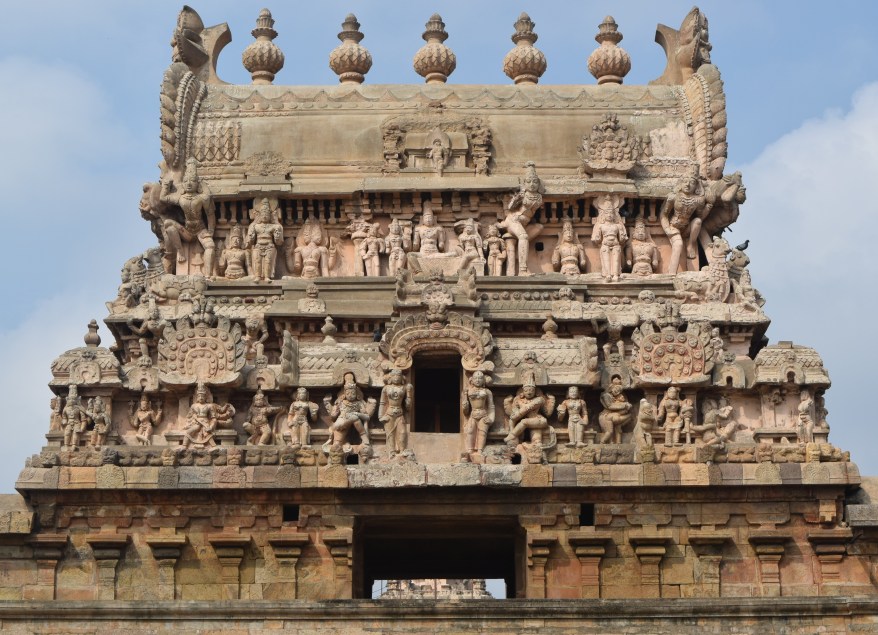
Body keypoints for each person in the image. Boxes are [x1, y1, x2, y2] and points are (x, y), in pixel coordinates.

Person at [159, 158, 216, 275]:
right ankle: (180, 251)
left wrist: (210, 231)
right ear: (183, 183)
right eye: (186, 181)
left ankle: (209, 275)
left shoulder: (202, 198)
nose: (189, 184)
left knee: (210, 247)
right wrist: (166, 185)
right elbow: (163, 198)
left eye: (193, 181)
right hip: (187, 231)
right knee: (168, 225)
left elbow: (210, 215)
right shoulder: (181, 198)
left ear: (197, 183)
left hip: (200, 229)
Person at [378, 370, 413, 455]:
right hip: (389, 413)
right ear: (390, 378)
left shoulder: (404, 388)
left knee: (402, 432)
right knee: (390, 435)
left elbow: (408, 407)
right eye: (394, 376)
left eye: (398, 376)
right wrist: (380, 416)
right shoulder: (386, 388)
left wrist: (409, 398)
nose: (396, 378)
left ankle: (402, 450)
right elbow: (382, 403)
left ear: (402, 378)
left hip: (400, 413)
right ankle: (392, 451)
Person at [461, 370, 495, 454]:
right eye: (475, 378)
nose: (478, 380)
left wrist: (491, 418)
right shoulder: (467, 391)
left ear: (483, 380)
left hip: (483, 414)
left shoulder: (487, 392)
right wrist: (465, 406)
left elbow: (491, 406)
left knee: (482, 433)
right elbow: (465, 411)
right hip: (473, 414)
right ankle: (470, 450)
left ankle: (480, 451)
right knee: (470, 431)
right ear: (472, 380)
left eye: (480, 378)